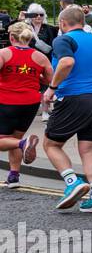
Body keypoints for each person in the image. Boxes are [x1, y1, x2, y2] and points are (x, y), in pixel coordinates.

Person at [44, 5, 92, 213]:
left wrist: (52, 88)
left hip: (74, 98)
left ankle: (72, 182)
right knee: (88, 150)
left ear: (62, 23)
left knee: (51, 144)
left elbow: (67, 62)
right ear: (83, 22)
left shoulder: (63, 40)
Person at [0, 22, 53, 187]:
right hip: (30, 103)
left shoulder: (3, 53)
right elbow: (50, 80)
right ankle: (14, 176)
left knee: (8, 141)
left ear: (11, 37)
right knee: (14, 137)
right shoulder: (40, 56)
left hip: (6, 102)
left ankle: (24, 144)